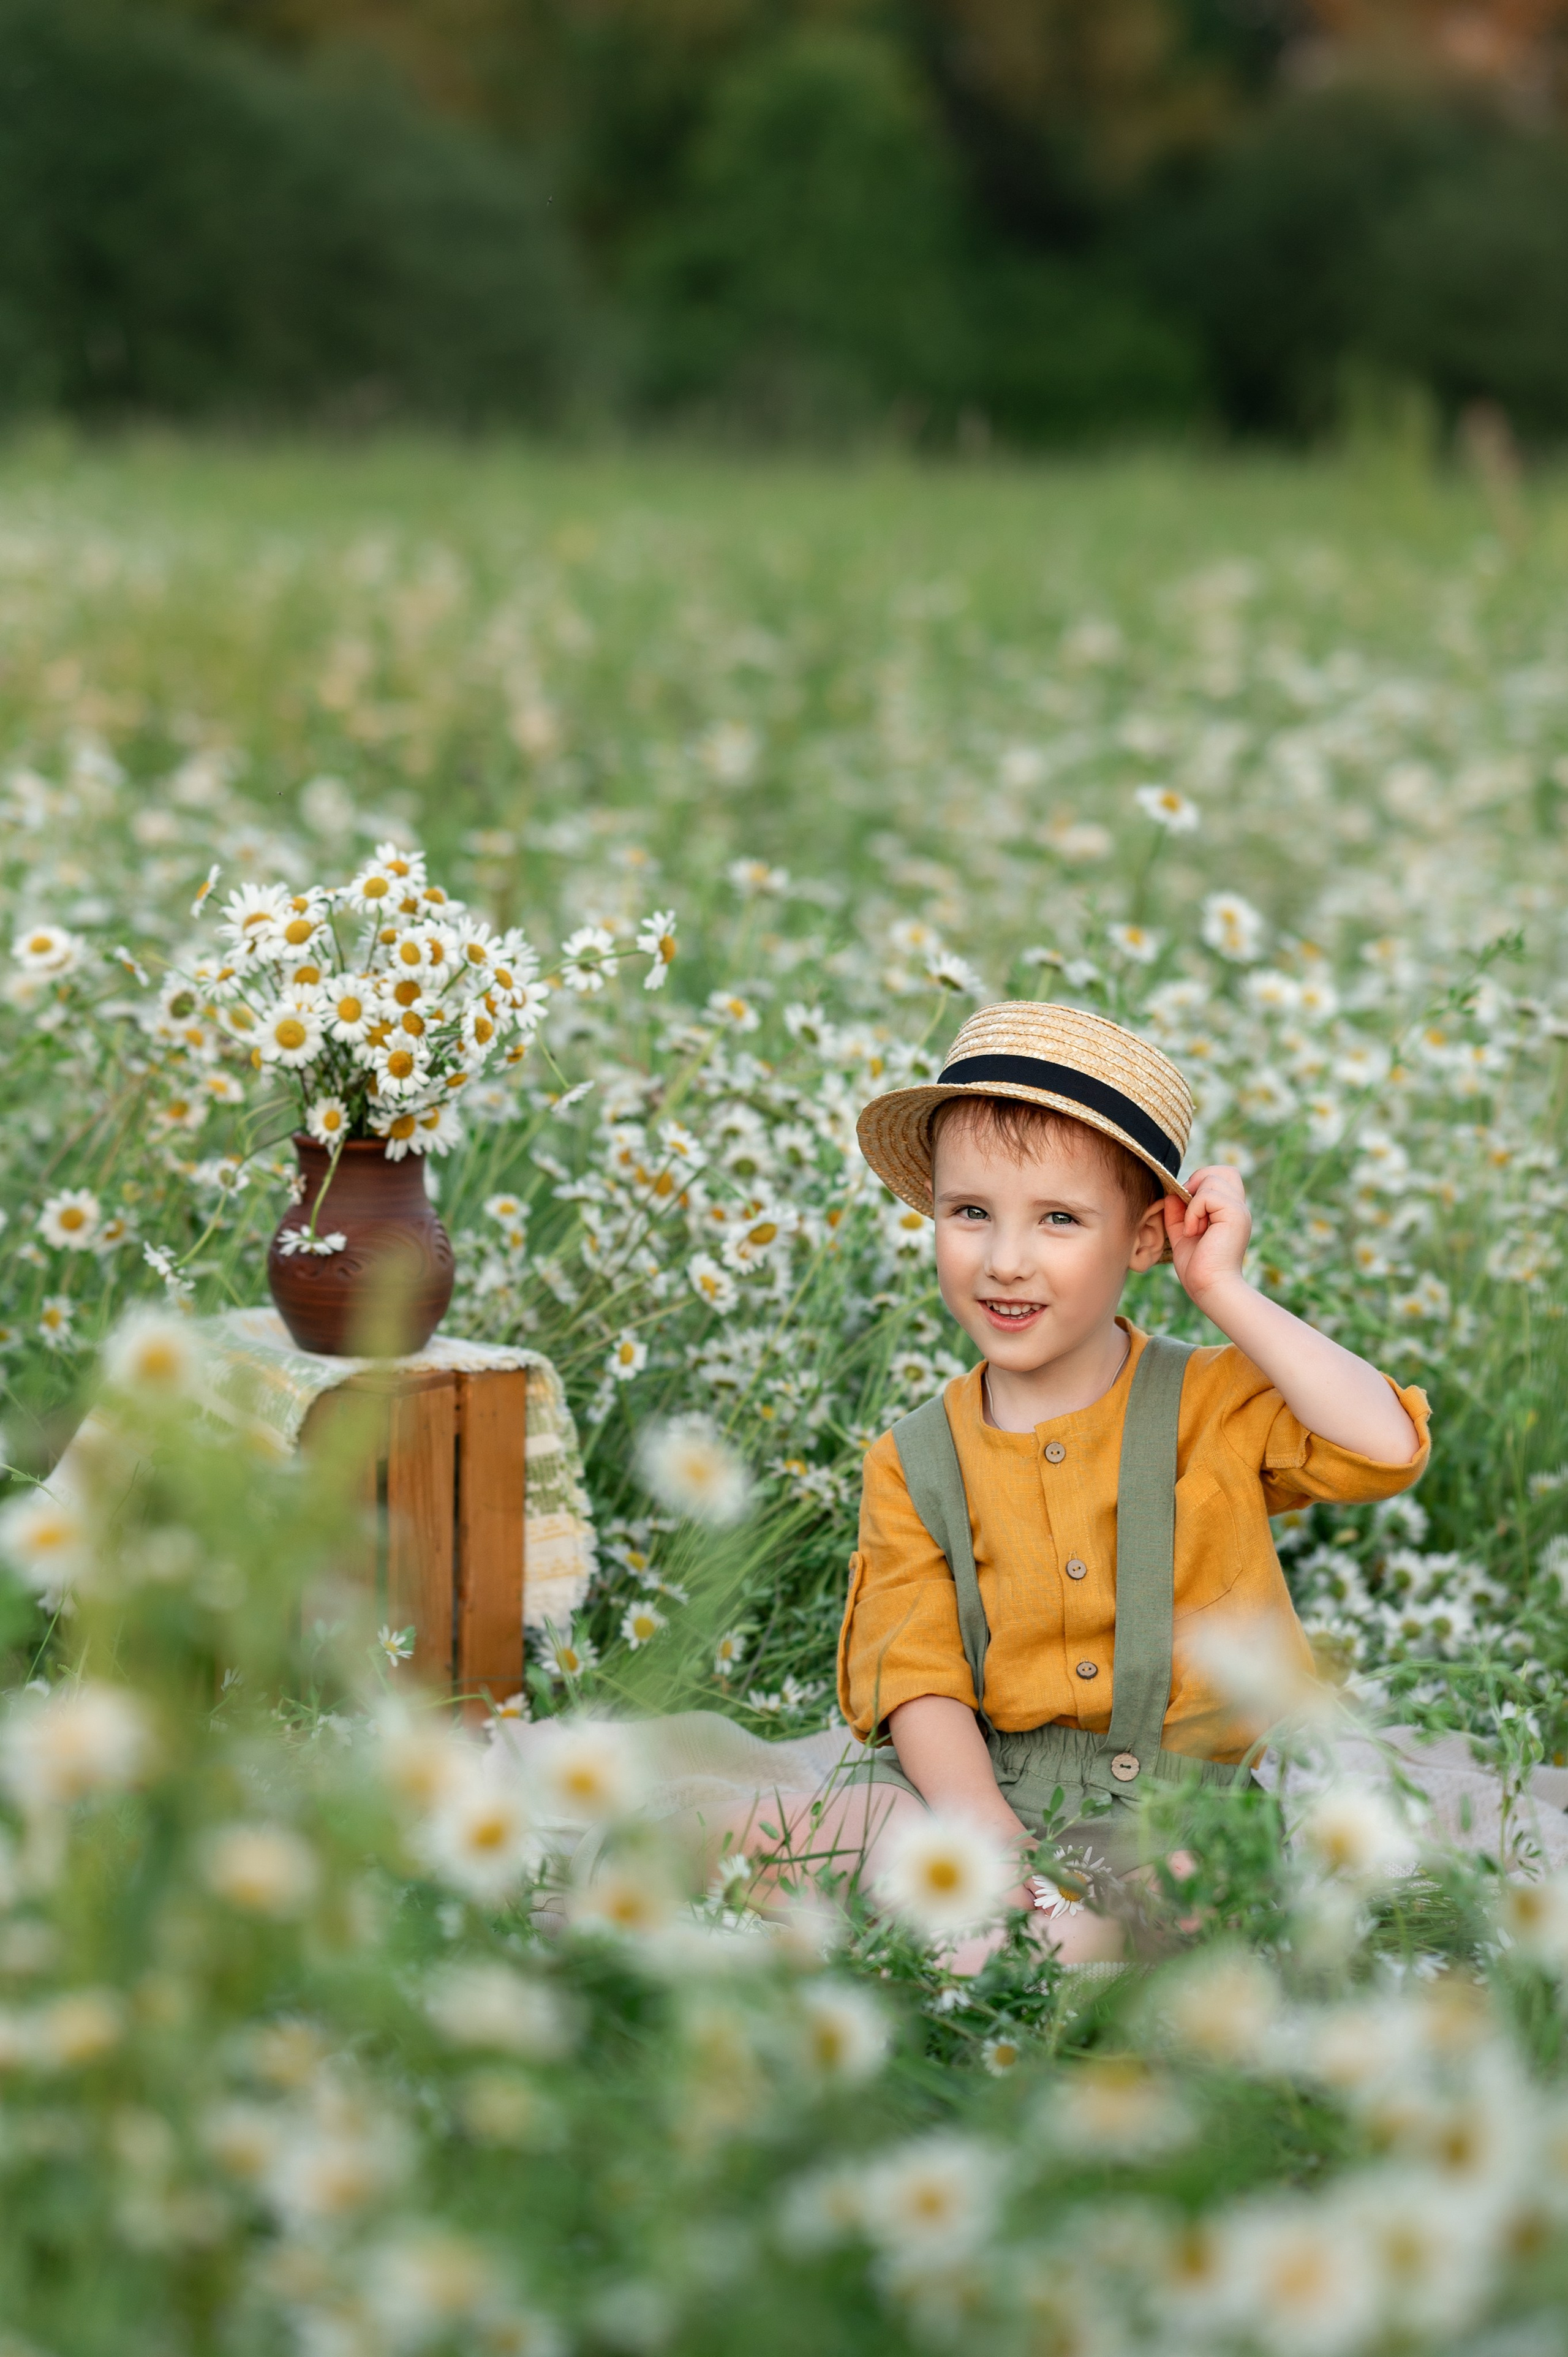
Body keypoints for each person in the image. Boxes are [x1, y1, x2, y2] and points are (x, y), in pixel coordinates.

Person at [810, 997, 1430, 1967]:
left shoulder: (1210, 1403)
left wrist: (1224, 1292)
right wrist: (990, 1841)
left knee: (1186, 1897)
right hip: (980, 1790)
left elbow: (1384, 1444)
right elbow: (914, 1673)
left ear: (1144, 1240)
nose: (1005, 1261)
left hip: (1175, 1810)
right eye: (971, 1213)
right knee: (806, 1832)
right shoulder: (915, 1457)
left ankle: (1043, 1951)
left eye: (1060, 1219)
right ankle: (1016, 1931)